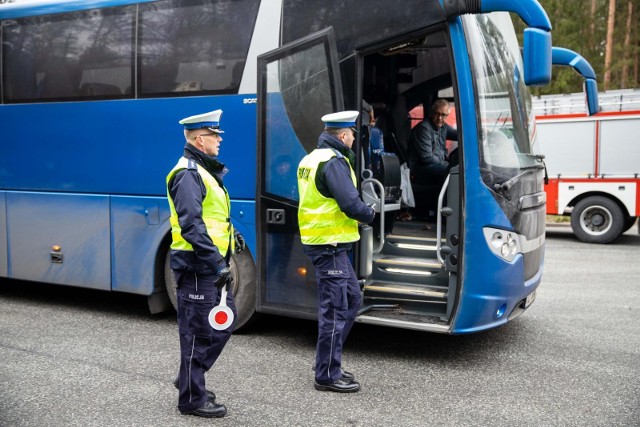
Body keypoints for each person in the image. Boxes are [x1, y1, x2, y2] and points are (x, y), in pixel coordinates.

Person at [166, 108, 246, 418]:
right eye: (215, 136)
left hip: (206, 263)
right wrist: (216, 262)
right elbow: (191, 225)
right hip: (197, 266)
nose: (219, 141)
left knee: (222, 325)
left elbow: (213, 218)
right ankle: (191, 399)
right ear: (200, 139)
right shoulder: (188, 174)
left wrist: (232, 237)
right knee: (199, 331)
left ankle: (189, 378)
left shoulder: (203, 170)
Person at [297, 110, 376, 393]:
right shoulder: (333, 162)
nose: (354, 138)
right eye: (352, 133)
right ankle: (327, 374)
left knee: (352, 299)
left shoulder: (311, 158)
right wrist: (372, 215)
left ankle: (327, 361)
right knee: (336, 308)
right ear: (343, 136)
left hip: (330, 244)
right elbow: (350, 204)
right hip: (327, 245)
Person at [408, 98, 458, 188]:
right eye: (437, 113)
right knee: (453, 173)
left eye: (443, 115)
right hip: (421, 169)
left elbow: (458, 134)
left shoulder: (443, 127)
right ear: (432, 112)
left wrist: (476, 132)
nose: (439, 118)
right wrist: (446, 164)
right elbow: (427, 158)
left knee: (456, 171)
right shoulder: (424, 128)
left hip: (435, 165)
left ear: (447, 115)